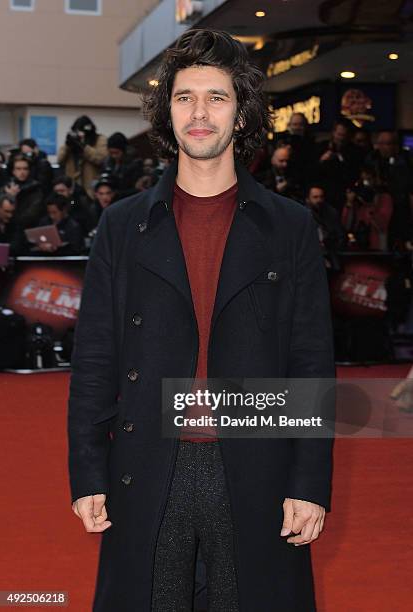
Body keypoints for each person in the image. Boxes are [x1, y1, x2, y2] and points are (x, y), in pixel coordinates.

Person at [68, 28, 335, 612]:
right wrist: (88, 469)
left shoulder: (288, 227)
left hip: (254, 463)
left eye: (217, 97)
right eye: (185, 96)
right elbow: (95, 358)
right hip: (147, 463)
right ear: (168, 112)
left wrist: (308, 483)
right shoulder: (124, 225)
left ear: (241, 115)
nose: (199, 112)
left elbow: (310, 359)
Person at [57, 115, 107, 198]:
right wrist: (67, 145)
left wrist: (83, 147)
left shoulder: (99, 139)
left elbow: (101, 159)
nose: (81, 136)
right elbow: (59, 160)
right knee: (72, 206)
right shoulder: (71, 143)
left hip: (91, 190)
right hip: (73, 189)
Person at [4, 153, 44, 229]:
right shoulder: (7, 187)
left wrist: (13, 198)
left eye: (25, 169)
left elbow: (30, 216)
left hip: (28, 229)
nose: (22, 172)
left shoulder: (36, 189)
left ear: (29, 171)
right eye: (18, 169)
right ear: (13, 171)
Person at [102, 132, 143, 198]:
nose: (114, 156)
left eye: (116, 153)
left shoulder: (135, 163)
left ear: (124, 151)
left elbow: (137, 188)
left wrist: (117, 193)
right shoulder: (108, 162)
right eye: (111, 153)